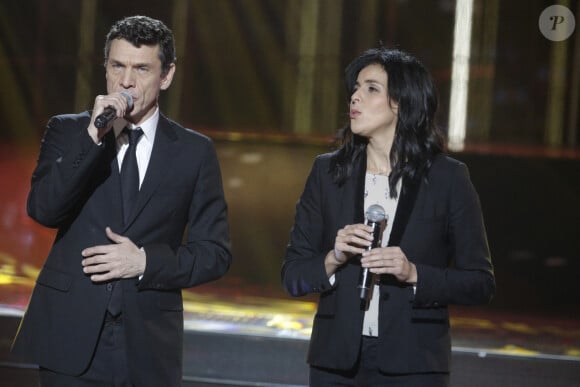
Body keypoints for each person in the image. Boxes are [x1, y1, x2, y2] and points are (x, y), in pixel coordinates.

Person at [12, 15, 232, 386]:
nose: (126, 81)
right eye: (118, 66)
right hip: (70, 336)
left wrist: (145, 261)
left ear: (167, 75)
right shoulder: (69, 131)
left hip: (146, 341)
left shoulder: (194, 152)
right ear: (106, 69)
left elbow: (215, 253)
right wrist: (93, 137)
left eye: (141, 68)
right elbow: (43, 209)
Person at [282, 47, 495, 386]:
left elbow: (480, 283)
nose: (355, 97)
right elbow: (293, 275)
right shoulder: (328, 172)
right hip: (336, 363)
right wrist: (334, 257)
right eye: (355, 88)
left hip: (414, 363)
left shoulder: (447, 178)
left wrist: (413, 273)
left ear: (402, 103)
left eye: (371, 88)